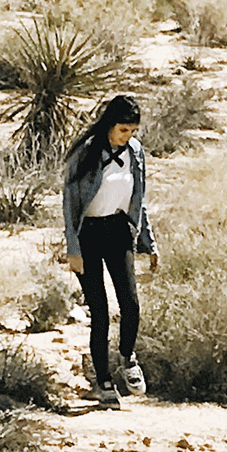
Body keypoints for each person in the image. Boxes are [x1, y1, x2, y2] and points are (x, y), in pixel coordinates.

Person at [60, 93, 158, 405]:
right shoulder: (86, 153)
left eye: (132, 131)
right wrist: (72, 249)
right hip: (87, 234)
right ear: (108, 125)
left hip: (117, 231)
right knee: (99, 312)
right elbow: (70, 204)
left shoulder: (136, 153)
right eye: (122, 131)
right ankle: (102, 381)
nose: (127, 137)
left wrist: (149, 243)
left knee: (130, 303)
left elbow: (138, 201)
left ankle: (127, 358)